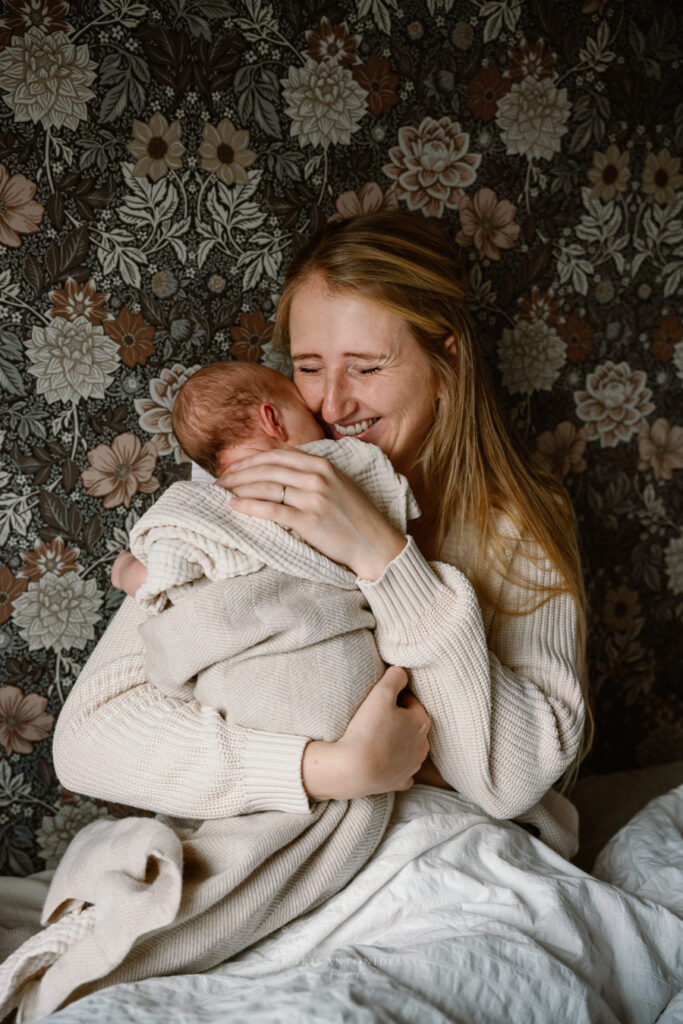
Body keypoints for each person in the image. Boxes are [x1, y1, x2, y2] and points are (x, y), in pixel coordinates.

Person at [53, 212, 586, 869]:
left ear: (444, 360)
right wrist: (329, 767)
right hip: (269, 847)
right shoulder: (244, 498)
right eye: (308, 367)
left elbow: (509, 777)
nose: (332, 407)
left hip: (443, 860)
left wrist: (382, 555)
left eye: (364, 367)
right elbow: (88, 739)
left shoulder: (516, 519)